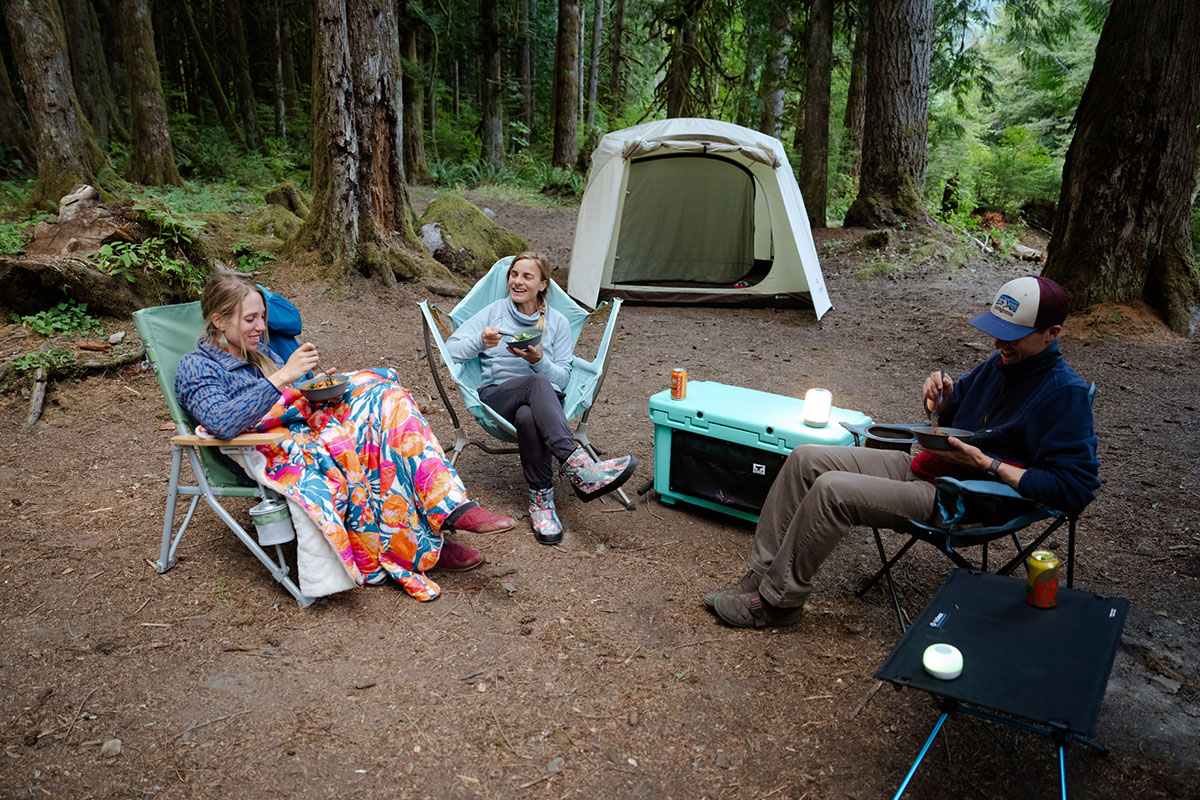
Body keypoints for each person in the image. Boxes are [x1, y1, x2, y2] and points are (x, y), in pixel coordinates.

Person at [705, 276, 1100, 628]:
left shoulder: (1064, 394)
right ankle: (762, 576)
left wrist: (988, 464)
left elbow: (1076, 489)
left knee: (832, 490)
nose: (998, 343)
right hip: (929, 467)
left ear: (1051, 333)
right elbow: (954, 412)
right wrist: (940, 399)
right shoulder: (1000, 365)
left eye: (1012, 335)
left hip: (964, 499)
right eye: (996, 331)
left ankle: (777, 604)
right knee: (807, 458)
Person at [174, 273, 515, 601]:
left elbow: (292, 398)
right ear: (219, 321)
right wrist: (283, 378)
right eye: (250, 320)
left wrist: (316, 389)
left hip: (311, 429)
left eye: (262, 317)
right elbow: (222, 421)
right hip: (270, 451)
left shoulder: (261, 355)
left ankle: (449, 510)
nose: (262, 327)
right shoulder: (197, 366)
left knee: (387, 401)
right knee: (363, 446)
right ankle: (423, 544)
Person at [445, 252, 638, 545]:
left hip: (540, 405)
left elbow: (561, 378)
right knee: (536, 384)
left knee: (529, 413)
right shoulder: (493, 312)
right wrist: (480, 341)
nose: (517, 281)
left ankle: (542, 501)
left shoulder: (557, 323)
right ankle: (579, 467)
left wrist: (538, 360)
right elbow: (452, 350)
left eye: (527, 276)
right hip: (497, 399)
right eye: (514, 275)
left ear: (543, 285)